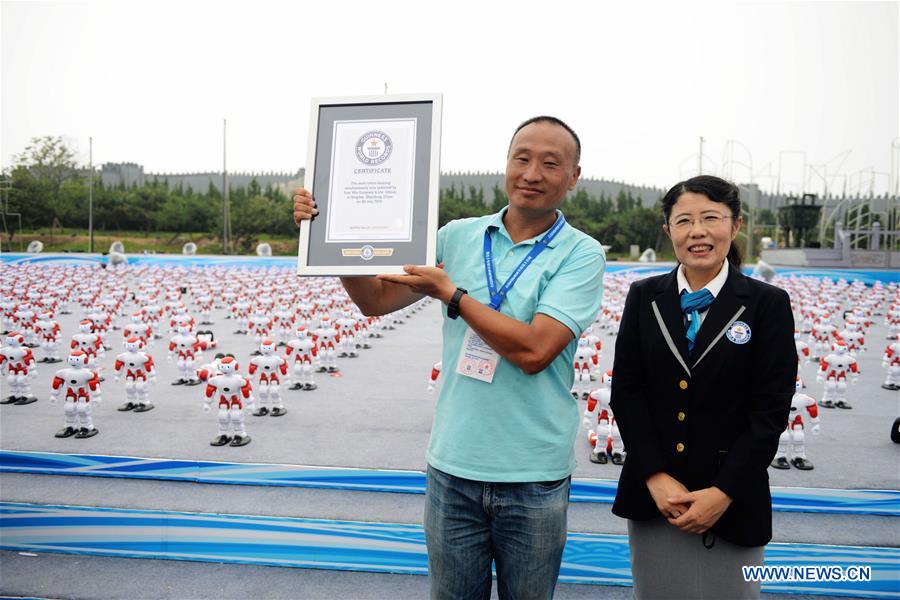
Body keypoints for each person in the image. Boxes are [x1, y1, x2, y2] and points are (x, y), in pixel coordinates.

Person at [294, 116, 606, 599]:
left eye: (550, 163)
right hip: (453, 467)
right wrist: (331, 232)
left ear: (574, 176)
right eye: (521, 158)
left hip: (533, 475)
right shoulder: (457, 235)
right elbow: (375, 300)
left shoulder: (580, 254)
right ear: (506, 163)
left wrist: (454, 295)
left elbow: (535, 350)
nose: (532, 173)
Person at [608, 175, 795, 599]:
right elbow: (628, 391)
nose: (698, 231)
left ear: (735, 225)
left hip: (733, 499)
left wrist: (724, 492)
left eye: (711, 218)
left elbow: (770, 411)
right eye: (684, 220)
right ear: (667, 230)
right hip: (656, 500)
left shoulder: (767, 304)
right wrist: (655, 475)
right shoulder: (645, 296)